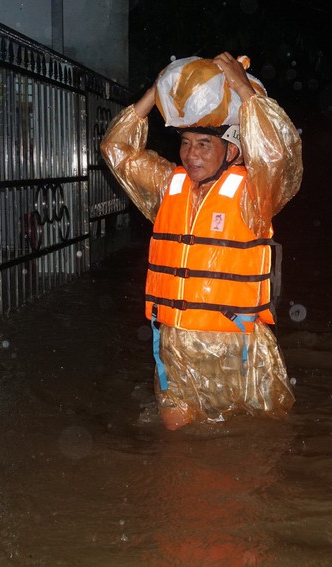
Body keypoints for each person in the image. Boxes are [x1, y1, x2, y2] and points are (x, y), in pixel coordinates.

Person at [100, 52, 303, 430]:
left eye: (204, 145)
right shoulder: (168, 185)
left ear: (232, 151)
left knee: (242, 445)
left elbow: (278, 157)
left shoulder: (253, 195)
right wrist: (155, 92)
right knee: (177, 443)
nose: (191, 154)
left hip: (233, 347)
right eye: (186, 143)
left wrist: (243, 87)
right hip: (173, 343)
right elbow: (116, 150)